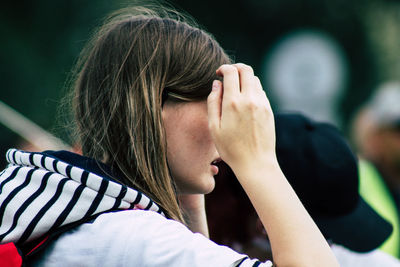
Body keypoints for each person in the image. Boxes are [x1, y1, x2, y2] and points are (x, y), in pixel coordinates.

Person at [0, 3, 338, 266]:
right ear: (153, 104)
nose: (225, 132)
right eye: (216, 106)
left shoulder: (55, 201)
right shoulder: (135, 239)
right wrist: (260, 162)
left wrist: (184, 197)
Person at [206, 113, 399, 266]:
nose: (329, 248)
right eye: (325, 236)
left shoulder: (359, 261)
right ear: (262, 226)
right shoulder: (195, 246)